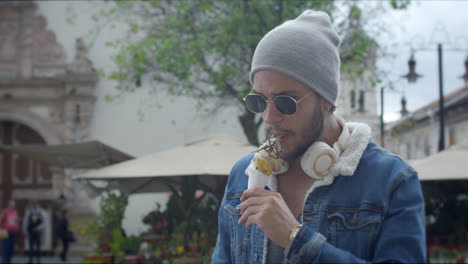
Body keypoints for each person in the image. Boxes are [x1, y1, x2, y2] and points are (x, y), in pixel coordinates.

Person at [211, 10, 426, 263]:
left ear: (326, 99)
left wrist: (295, 239)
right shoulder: (242, 174)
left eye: (285, 102)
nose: (269, 117)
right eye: (259, 100)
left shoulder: (392, 180)